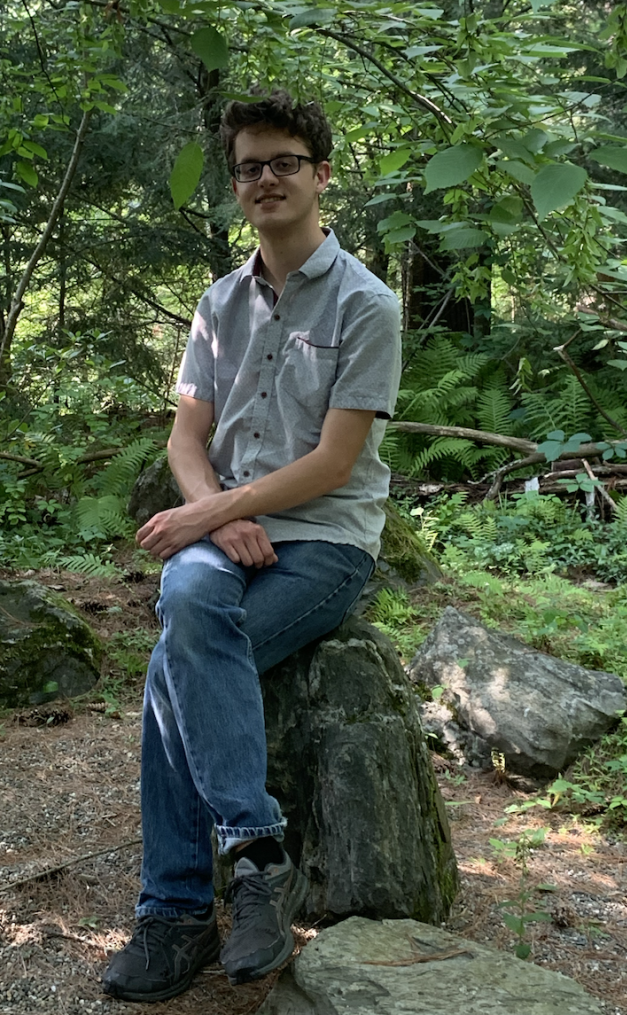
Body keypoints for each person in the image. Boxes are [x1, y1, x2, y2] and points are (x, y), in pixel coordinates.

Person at [102, 90, 401, 1003]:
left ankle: (177, 912)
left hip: (323, 542)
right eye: (248, 166)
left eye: (283, 162)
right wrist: (214, 513)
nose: (264, 179)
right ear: (234, 185)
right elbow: (186, 440)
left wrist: (207, 513)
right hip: (226, 532)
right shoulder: (217, 302)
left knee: (170, 670)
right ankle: (256, 857)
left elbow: (333, 462)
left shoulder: (367, 303)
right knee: (188, 612)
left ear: (321, 174)